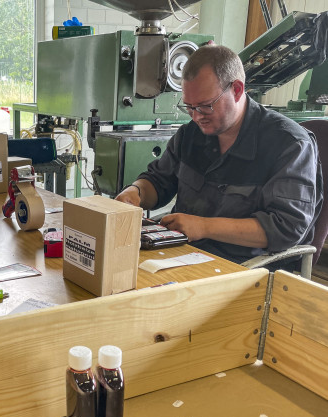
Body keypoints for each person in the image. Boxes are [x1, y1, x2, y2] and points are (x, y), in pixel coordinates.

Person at [116, 44, 323, 265]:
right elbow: (159, 181)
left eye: (205, 106)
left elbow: (286, 228)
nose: (196, 117)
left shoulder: (288, 144)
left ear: (236, 90)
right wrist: (135, 192)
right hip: (183, 254)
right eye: (189, 107)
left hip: (248, 267)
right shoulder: (191, 135)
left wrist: (203, 227)